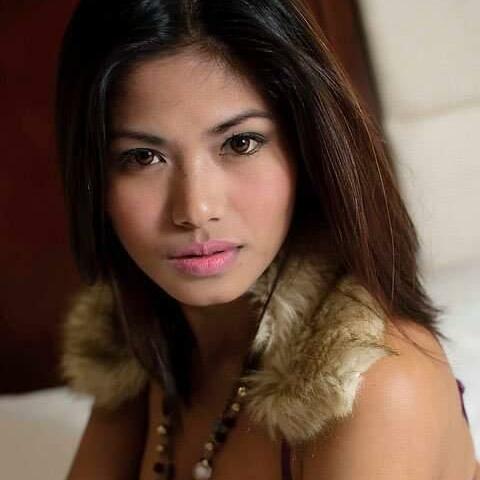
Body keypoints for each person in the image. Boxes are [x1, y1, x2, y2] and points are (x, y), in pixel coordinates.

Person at [55, 0, 479, 479]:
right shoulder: (139, 339)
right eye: (143, 157)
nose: (195, 210)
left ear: (307, 148)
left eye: (240, 143)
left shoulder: (372, 383)